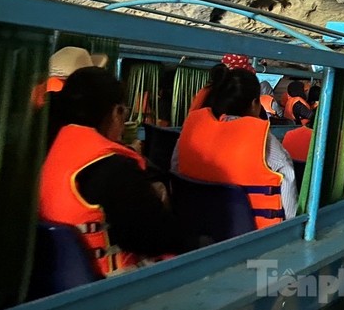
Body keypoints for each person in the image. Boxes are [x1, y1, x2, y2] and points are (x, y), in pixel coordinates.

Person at [39, 67, 198, 277]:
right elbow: (155, 237)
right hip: (110, 283)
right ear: (116, 112)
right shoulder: (111, 166)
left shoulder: (50, 149)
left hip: (62, 277)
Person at [174, 67, 297, 228]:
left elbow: (176, 173)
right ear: (255, 104)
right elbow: (290, 212)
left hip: (194, 234)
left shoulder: (189, 132)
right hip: (254, 241)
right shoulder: (266, 144)